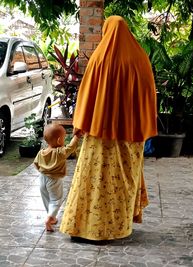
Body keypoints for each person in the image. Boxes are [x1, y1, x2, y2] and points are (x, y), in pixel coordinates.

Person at [60, 15, 157, 241]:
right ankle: (118, 227)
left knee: (95, 179)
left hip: (99, 133)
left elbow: (87, 94)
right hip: (130, 134)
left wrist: (80, 124)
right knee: (123, 180)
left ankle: (85, 228)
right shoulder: (141, 59)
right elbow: (148, 95)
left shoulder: (100, 59)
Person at [34, 123, 80, 232]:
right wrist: (77, 136)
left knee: (46, 198)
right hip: (54, 180)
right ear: (59, 140)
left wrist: (44, 170)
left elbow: (36, 163)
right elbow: (71, 147)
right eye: (64, 138)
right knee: (56, 200)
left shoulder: (41, 152)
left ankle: (51, 216)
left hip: (42, 178)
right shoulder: (60, 153)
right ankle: (50, 218)